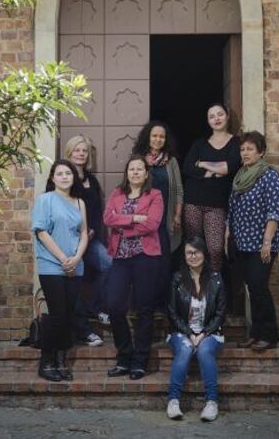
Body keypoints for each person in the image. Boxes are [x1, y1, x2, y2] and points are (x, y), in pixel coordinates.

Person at [103, 155, 164, 380]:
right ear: (127, 173)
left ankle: (139, 361)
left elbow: (152, 224)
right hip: (120, 257)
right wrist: (135, 217)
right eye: (132, 169)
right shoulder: (117, 193)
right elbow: (108, 218)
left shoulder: (155, 195)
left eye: (140, 169)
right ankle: (124, 357)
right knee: (114, 306)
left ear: (146, 174)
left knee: (144, 309)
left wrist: (124, 223)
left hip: (145, 257)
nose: (135, 172)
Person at [225, 131, 279, 351]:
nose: (245, 152)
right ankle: (256, 333)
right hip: (242, 243)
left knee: (259, 287)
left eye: (250, 148)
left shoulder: (270, 176)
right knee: (251, 287)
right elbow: (232, 209)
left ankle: (269, 336)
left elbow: (274, 212)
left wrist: (267, 242)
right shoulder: (241, 175)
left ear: (261, 152)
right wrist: (227, 234)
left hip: (262, 244)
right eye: (243, 149)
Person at [31, 159, 88, 381]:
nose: (64, 177)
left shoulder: (80, 203)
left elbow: (83, 233)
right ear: (53, 178)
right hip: (52, 264)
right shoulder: (45, 200)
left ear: (74, 177)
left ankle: (61, 362)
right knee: (57, 314)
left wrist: (76, 259)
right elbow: (41, 232)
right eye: (60, 173)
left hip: (75, 265)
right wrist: (64, 258)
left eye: (68, 173)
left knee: (69, 314)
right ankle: (46, 361)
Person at [166, 236, 226, 422]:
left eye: (196, 252)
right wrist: (189, 333)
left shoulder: (216, 279)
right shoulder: (177, 279)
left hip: (210, 333)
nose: (192, 256)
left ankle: (211, 402)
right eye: (188, 253)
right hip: (181, 332)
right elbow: (172, 312)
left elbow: (220, 313)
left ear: (204, 254)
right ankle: (173, 401)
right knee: (184, 349)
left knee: (204, 351)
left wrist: (204, 333)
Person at [183, 102, 241, 272]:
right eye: (212, 116)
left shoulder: (236, 143)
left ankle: (214, 287)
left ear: (227, 116)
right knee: (194, 248)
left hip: (217, 205)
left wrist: (202, 164)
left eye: (220, 114)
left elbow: (229, 167)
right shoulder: (200, 144)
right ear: (208, 121)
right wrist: (212, 171)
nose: (216, 119)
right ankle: (196, 287)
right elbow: (188, 167)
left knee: (215, 249)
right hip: (193, 201)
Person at [133, 121, 183, 306]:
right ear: (148, 137)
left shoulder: (171, 162)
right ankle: (143, 304)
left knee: (164, 263)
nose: (158, 139)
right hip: (143, 220)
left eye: (161, 136)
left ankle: (163, 305)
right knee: (143, 262)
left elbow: (178, 190)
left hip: (164, 220)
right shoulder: (138, 160)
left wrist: (177, 215)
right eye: (154, 135)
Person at [65, 134, 112, 332]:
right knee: (74, 277)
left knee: (109, 264)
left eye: (84, 150)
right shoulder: (63, 177)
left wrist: (91, 230)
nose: (81, 154)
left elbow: (96, 209)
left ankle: (95, 307)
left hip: (91, 238)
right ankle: (77, 319)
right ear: (69, 152)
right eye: (77, 150)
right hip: (68, 240)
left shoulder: (91, 179)